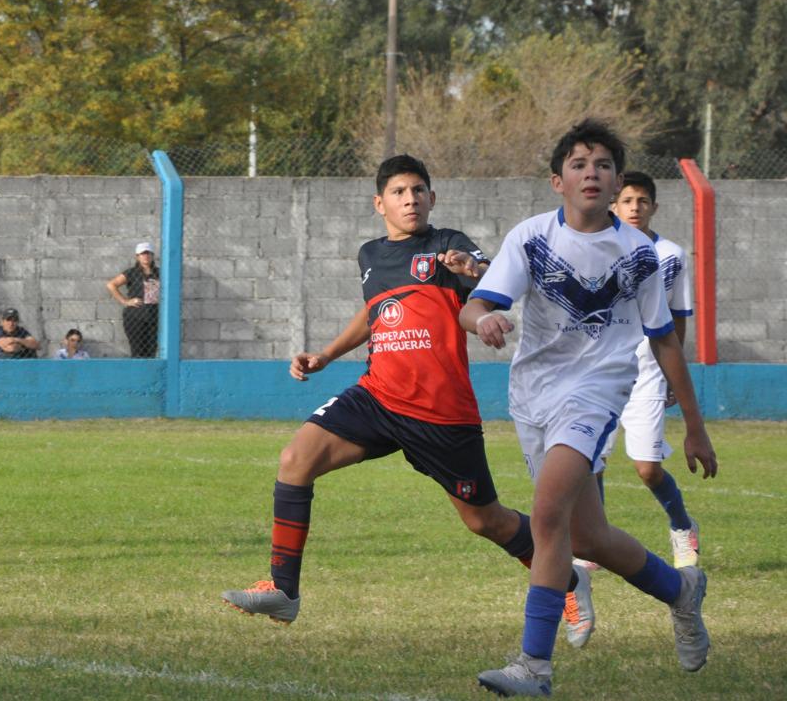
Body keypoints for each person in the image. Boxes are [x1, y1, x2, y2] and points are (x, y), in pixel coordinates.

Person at [221, 155, 591, 644]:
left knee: (486, 520)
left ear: (432, 198)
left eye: (418, 190)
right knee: (295, 459)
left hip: (441, 412)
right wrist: (327, 355)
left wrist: (471, 268)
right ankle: (283, 590)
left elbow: (491, 280)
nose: (410, 199)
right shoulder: (370, 255)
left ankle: (568, 579)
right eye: (399, 192)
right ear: (380, 203)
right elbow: (375, 312)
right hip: (377, 397)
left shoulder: (446, 245)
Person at [462, 121, 716, 696]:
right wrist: (486, 320)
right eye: (578, 164)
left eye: (603, 164)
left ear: (617, 179)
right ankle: (681, 591)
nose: (591, 173)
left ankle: (534, 666)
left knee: (548, 513)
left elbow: (664, 338)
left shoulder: (639, 255)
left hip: (597, 390)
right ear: (558, 181)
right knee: (589, 536)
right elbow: (475, 305)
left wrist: (695, 426)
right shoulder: (531, 238)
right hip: (533, 395)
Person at [593, 171, 700, 569]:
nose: (634, 208)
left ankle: (682, 527)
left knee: (647, 468)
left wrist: (675, 374)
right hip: (603, 371)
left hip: (650, 370)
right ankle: (594, 539)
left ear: (654, 207)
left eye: (642, 201)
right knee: (593, 462)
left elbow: (678, 318)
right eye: (627, 201)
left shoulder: (671, 254)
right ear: (613, 206)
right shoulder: (598, 248)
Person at [105, 242, 159, 357]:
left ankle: (148, 375)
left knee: (151, 352)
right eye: (142, 254)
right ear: (137, 256)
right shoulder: (132, 272)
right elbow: (111, 285)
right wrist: (125, 301)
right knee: (137, 351)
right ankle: (138, 375)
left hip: (154, 317)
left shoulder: (159, 273)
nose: (146, 256)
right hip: (135, 317)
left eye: (148, 253)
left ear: (152, 255)